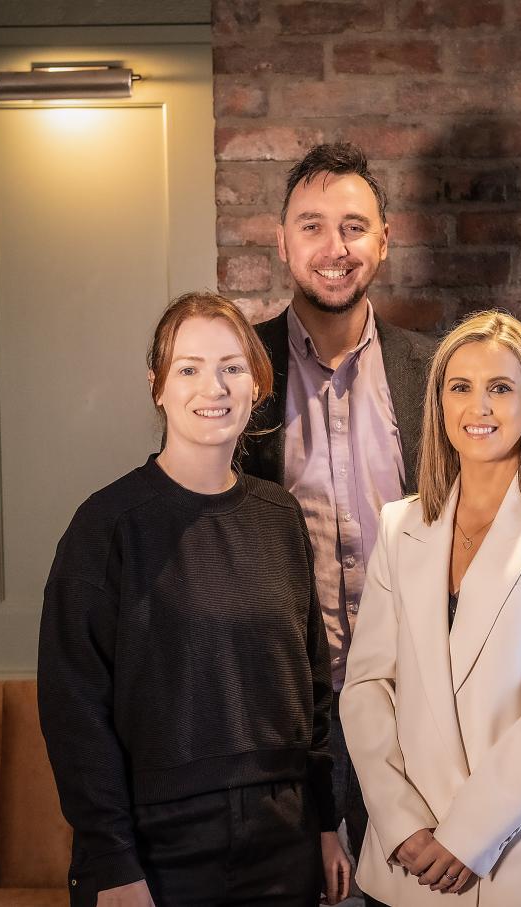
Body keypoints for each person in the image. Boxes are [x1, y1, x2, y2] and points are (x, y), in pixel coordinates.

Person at [38, 292, 350, 907]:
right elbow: (74, 709)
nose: (215, 386)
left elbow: (311, 687)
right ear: (158, 386)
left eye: (232, 367)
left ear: (257, 382)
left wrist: (323, 820)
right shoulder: (107, 526)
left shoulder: (279, 516)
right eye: (189, 368)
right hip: (158, 850)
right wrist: (111, 860)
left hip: (282, 839)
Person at [341, 311, 521, 907]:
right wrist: (401, 823)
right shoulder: (400, 525)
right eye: (460, 387)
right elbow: (366, 687)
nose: (479, 407)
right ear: (439, 402)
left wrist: (468, 835)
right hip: (406, 864)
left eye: (499, 388)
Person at [240, 143, 435, 860]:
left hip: (416, 708)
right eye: (313, 225)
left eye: (354, 226)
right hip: (285, 712)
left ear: (384, 240)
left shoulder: (437, 371)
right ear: (283, 240)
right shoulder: (239, 370)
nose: (335, 246)